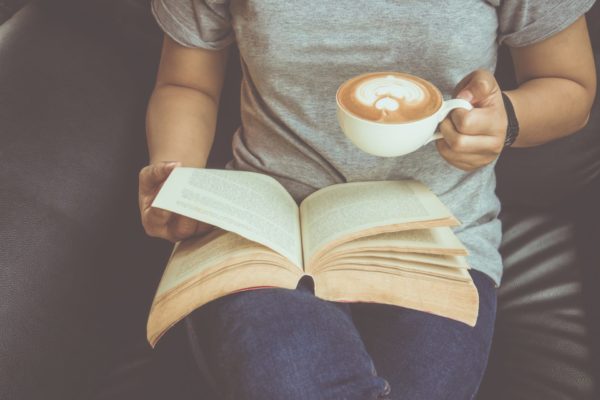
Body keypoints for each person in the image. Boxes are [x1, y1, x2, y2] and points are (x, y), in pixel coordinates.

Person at [138, 1, 597, 399]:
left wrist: (507, 120)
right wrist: (178, 181)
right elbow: (186, 84)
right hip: (265, 227)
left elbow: (568, 85)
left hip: (438, 231)